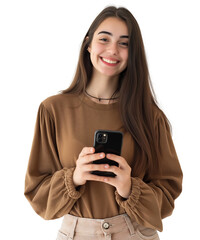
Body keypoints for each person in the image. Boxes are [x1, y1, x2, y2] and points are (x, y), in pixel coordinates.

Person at [24, 6, 183, 240]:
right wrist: (75, 177)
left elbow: (168, 197)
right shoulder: (53, 109)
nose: (112, 50)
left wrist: (129, 188)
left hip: (134, 233)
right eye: (104, 39)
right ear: (88, 44)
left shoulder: (150, 116)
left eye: (124, 43)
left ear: (133, 53)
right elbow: (37, 194)